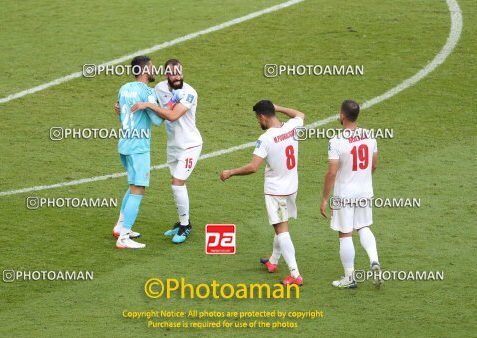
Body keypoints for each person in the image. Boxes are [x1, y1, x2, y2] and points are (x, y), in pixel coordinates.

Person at [220, 100, 305, 286]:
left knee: (281, 230)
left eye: (257, 118)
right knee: (280, 225)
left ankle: (295, 274)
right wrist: (280, 107)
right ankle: (273, 261)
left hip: (276, 191)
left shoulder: (266, 139)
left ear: (262, 117)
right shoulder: (292, 127)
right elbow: (300, 114)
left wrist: (230, 172)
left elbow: (253, 167)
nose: (258, 121)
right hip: (292, 187)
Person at [129, 59, 202, 244]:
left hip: (190, 145)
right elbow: (144, 95)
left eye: (180, 72)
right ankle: (183, 221)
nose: (178, 77)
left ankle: (185, 227)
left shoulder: (189, 93)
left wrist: (149, 106)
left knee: (177, 183)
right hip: (173, 146)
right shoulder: (160, 88)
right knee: (176, 184)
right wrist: (121, 103)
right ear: (166, 75)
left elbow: (172, 115)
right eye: (173, 73)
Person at [320, 100, 382, 288]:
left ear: (342, 115)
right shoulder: (370, 136)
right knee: (363, 227)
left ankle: (349, 278)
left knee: (345, 233)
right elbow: (374, 164)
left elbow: (331, 172)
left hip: (344, 194)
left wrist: (324, 198)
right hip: (364, 191)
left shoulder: (336, 141)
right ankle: (374, 261)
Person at [113, 56, 163, 249]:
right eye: (152, 67)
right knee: (138, 188)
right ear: (144, 71)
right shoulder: (147, 92)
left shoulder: (124, 88)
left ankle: (120, 226)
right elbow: (158, 121)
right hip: (139, 147)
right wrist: (165, 108)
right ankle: (124, 237)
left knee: (133, 184)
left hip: (124, 144)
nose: (154, 69)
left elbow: (120, 113)